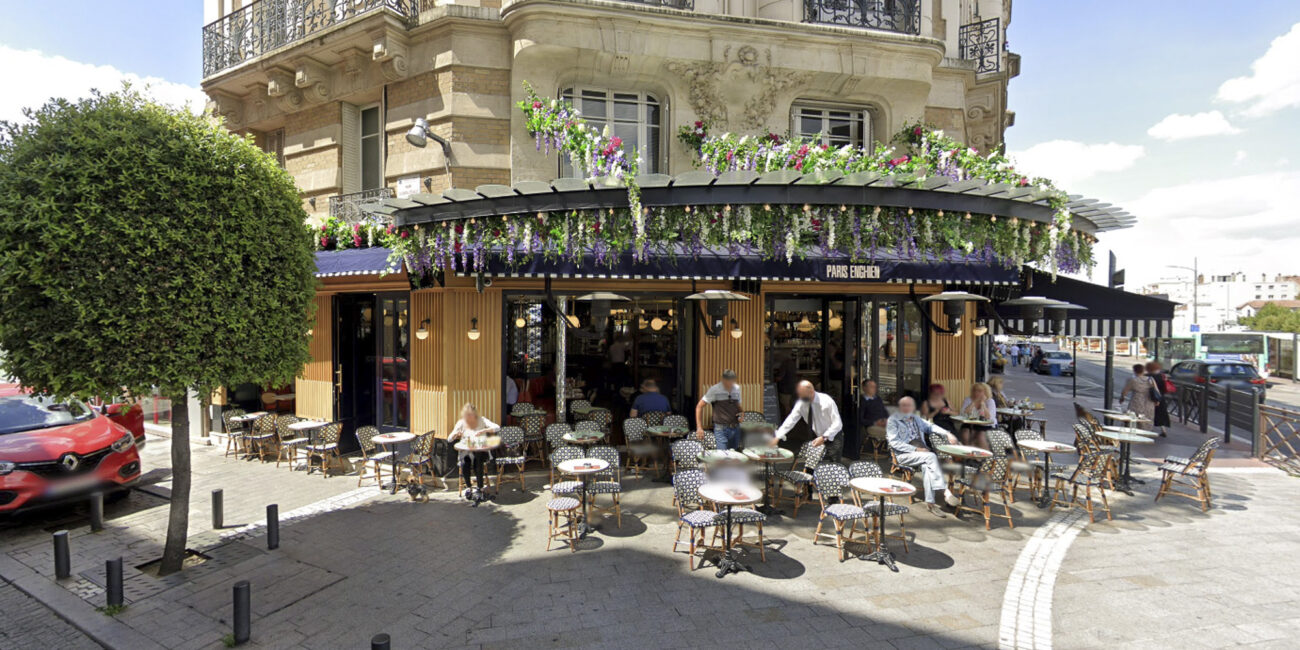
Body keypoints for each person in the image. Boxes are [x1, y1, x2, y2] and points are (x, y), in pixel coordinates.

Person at [886, 397, 958, 517]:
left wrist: (948, 433)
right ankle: (945, 491)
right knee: (930, 457)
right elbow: (894, 443)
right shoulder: (893, 421)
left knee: (927, 466)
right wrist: (916, 449)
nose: (907, 408)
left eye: (910, 406)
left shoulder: (916, 419)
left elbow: (931, 427)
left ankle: (931, 504)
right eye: (904, 406)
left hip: (921, 455)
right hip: (904, 455)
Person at [775, 380, 844, 462]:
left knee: (833, 466)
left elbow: (837, 423)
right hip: (817, 436)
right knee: (814, 463)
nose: (800, 397)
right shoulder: (802, 403)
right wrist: (778, 436)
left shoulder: (826, 401)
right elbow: (791, 420)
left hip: (833, 436)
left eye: (802, 394)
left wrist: (824, 437)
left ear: (811, 391)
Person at [448, 403, 499, 499]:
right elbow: (449, 439)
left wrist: (484, 431)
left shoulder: (482, 420)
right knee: (464, 462)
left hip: (480, 449)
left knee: (478, 460)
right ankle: (468, 487)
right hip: (466, 450)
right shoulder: (461, 422)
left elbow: (497, 427)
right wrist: (456, 435)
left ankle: (480, 487)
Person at [697, 369, 742, 450]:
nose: (730, 383)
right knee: (723, 457)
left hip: (735, 428)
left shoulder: (736, 388)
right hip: (721, 429)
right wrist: (699, 427)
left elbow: (737, 404)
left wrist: (742, 413)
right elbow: (699, 406)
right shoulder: (715, 390)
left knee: (734, 457)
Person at [1118, 363, 1156, 431]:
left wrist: (1122, 398)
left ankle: (1133, 435)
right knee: (1146, 421)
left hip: (1136, 402)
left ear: (1134, 371)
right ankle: (1144, 435)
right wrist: (1157, 401)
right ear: (1143, 371)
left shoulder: (1133, 380)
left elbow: (1125, 391)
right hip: (1149, 403)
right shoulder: (1150, 379)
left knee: (1133, 419)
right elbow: (1156, 391)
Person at [958, 382, 997, 447]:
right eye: (974, 390)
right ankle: (968, 452)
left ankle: (985, 455)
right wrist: (974, 402)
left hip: (986, 425)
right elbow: (963, 414)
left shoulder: (990, 401)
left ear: (985, 392)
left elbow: (989, 418)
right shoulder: (968, 399)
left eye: (979, 391)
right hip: (970, 423)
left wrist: (983, 405)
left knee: (980, 436)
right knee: (965, 433)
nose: (976, 393)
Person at [858, 379, 889, 454]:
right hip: (872, 425)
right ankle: (893, 455)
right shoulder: (862, 401)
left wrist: (886, 420)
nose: (874, 389)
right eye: (871, 387)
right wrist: (875, 423)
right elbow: (861, 419)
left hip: (884, 424)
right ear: (864, 388)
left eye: (875, 387)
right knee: (893, 432)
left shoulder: (878, 399)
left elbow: (885, 412)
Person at [1145, 361, 1171, 437]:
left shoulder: (1146, 376)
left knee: (1149, 413)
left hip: (1149, 397)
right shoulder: (1161, 376)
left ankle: (1148, 429)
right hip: (1159, 397)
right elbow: (1164, 388)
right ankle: (1163, 430)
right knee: (1160, 414)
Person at [772, 348, 798, 420]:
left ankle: (788, 420)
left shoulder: (785, 364)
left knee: (786, 406)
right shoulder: (792, 363)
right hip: (791, 386)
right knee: (789, 404)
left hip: (785, 388)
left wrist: (773, 379)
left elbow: (779, 378)